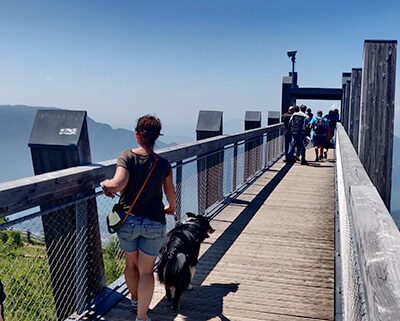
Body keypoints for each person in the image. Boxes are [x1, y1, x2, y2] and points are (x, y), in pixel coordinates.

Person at [101, 115, 176, 321]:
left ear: (137, 135)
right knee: (146, 272)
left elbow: (118, 184)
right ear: (157, 137)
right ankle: (141, 317)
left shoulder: (127, 156)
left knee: (131, 265)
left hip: (128, 221)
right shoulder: (163, 164)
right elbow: (171, 194)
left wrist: (105, 184)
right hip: (154, 223)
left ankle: (134, 300)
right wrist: (171, 207)